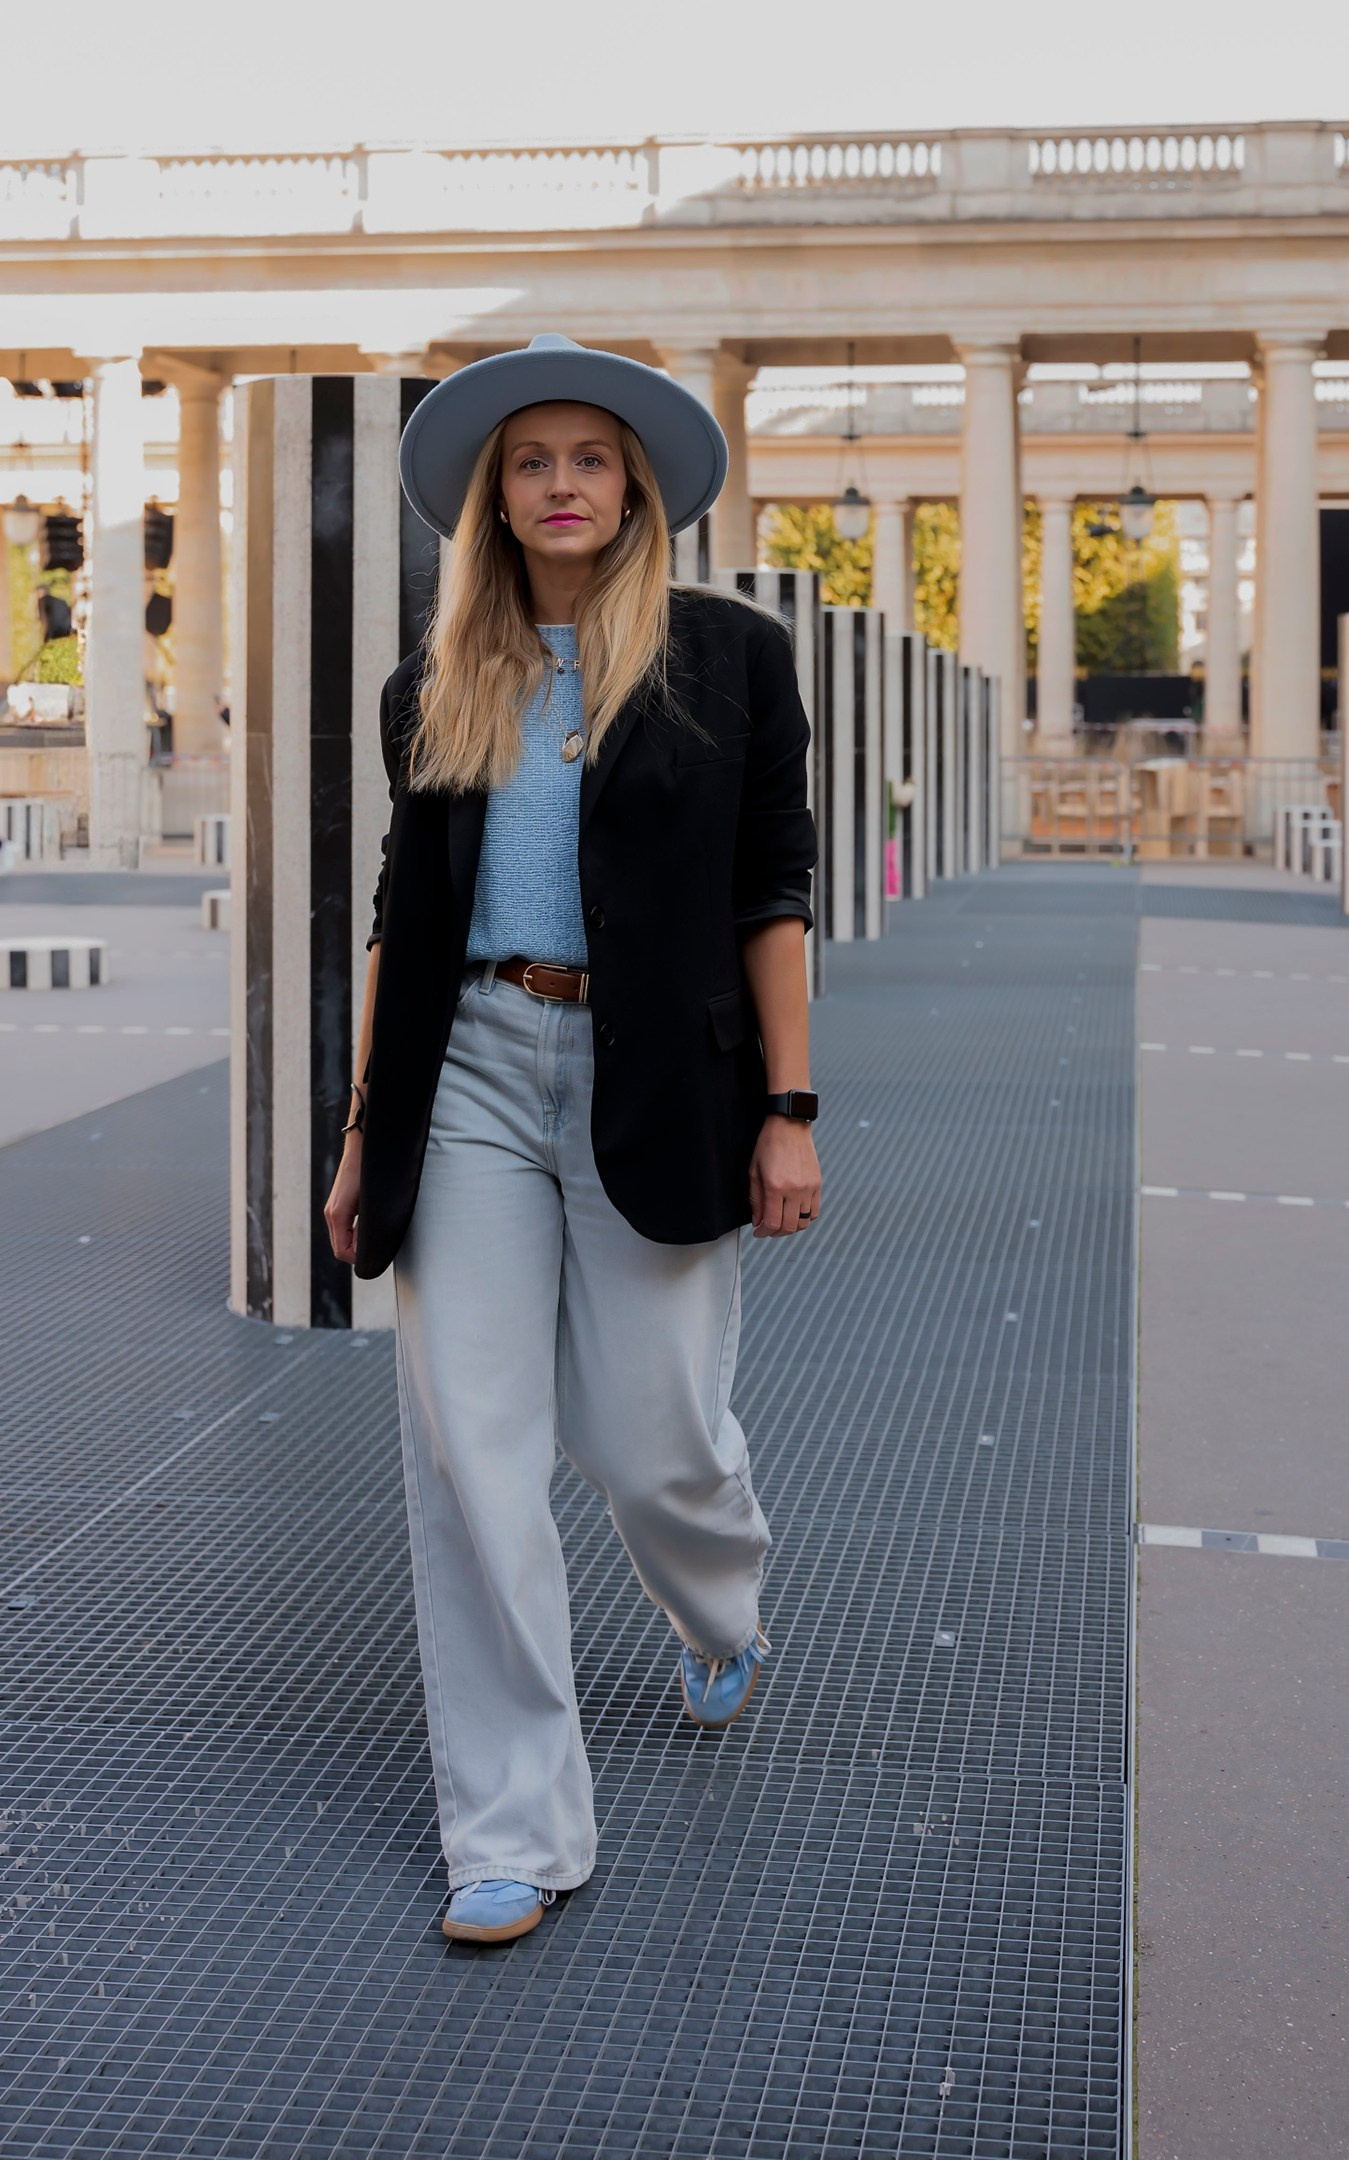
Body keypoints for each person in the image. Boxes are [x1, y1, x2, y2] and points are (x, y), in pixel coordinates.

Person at [324, 334, 821, 1947]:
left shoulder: (728, 660)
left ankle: (717, 1601)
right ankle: (513, 1828)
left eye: (585, 459)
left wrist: (790, 1110)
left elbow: (771, 894)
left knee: (647, 1435)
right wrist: (357, 1136)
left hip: (656, 1076)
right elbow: (404, 914)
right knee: (472, 1449)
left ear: (632, 490)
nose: (557, 485)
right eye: (528, 463)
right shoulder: (434, 681)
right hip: (462, 1068)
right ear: (494, 496)